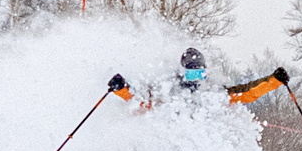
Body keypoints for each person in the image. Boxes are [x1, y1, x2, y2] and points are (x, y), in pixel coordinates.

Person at [106, 47, 290, 107]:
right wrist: (121, 88)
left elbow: (248, 93)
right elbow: (139, 99)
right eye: (192, 73)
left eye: (200, 73)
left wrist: (274, 80)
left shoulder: (213, 92)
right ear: (182, 71)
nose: (196, 78)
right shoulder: (167, 89)